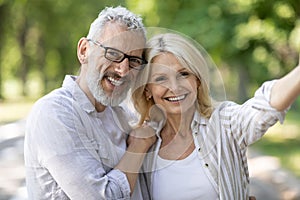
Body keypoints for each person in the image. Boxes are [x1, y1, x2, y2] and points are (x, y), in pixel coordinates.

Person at [131, 33, 300, 200]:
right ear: (147, 90)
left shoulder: (223, 123)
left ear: (197, 80)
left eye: (184, 74)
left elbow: (264, 107)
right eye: (161, 78)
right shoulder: (145, 143)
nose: (174, 87)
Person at [24, 6, 156, 200]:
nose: (123, 70)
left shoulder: (122, 115)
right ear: (84, 50)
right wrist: (137, 147)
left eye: (134, 60)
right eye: (113, 53)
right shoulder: (53, 113)